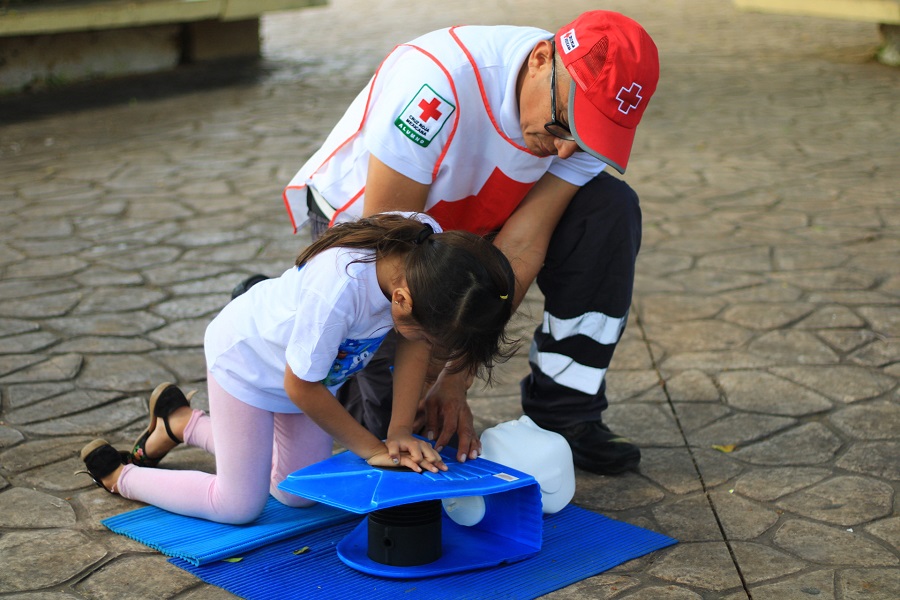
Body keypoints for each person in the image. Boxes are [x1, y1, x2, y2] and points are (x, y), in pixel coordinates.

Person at [247, 10, 659, 475]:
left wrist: (456, 375)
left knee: (606, 207)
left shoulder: (572, 125)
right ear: (542, 59)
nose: (566, 150)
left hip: (467, 229)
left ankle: (565, 413)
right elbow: (394, 252)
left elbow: (519, 249)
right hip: (373, 236)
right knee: (396, 427)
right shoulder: (437, 85)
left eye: (586, 139)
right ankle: (277, 306)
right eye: (563, 125)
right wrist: (422, 372)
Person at [77, 213, 517, 524]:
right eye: (430, 334)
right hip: (247, 366)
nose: (430, 348)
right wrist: (372, 449)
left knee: (296, 494)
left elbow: (411, 343)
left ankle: (182, 422)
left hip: (307, 375)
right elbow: (301, 386)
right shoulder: (339, 292)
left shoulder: (429, 253)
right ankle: (121, 476)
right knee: (237, 506)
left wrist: (398, 431)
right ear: (401, 300)